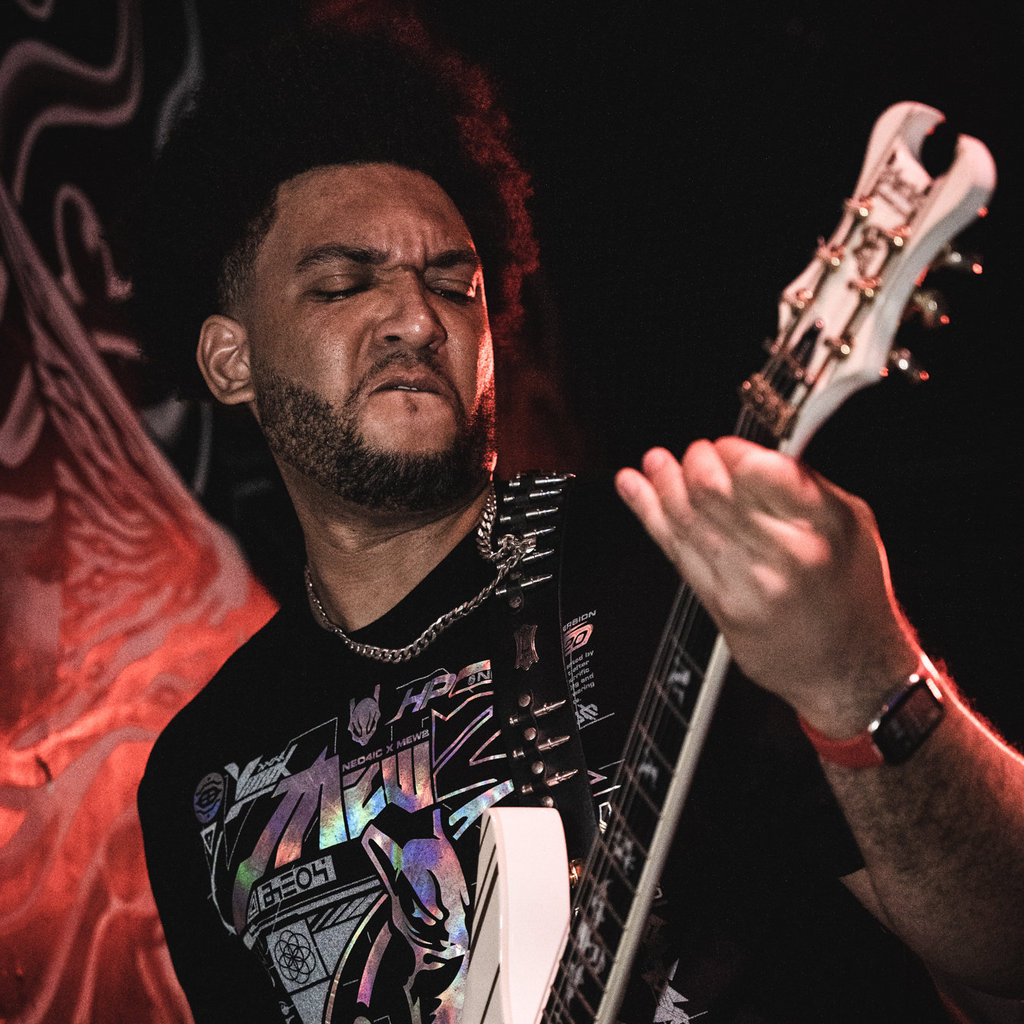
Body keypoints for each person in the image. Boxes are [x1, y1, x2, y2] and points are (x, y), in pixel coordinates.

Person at [128, 21, 1024, 1024]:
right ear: (232, 361)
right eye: (343, 284)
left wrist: (867, 675)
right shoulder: (202, 771)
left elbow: (1006, 953)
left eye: (453, 285)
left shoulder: (674, 563)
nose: (418, 319)